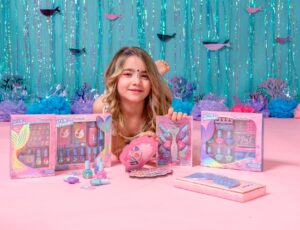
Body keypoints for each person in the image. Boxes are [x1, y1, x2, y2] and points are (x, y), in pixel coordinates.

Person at [93, 47, 185, 161]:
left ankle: (153, 73)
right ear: (115, 78)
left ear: (152, 83)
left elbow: (168, 153)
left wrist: (173, 128)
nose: (137, 82)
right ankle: (153, 71)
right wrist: (139, 143)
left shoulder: (161, 109)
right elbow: (115, 154)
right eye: (127, 74)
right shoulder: (103, 108)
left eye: (145, 76)